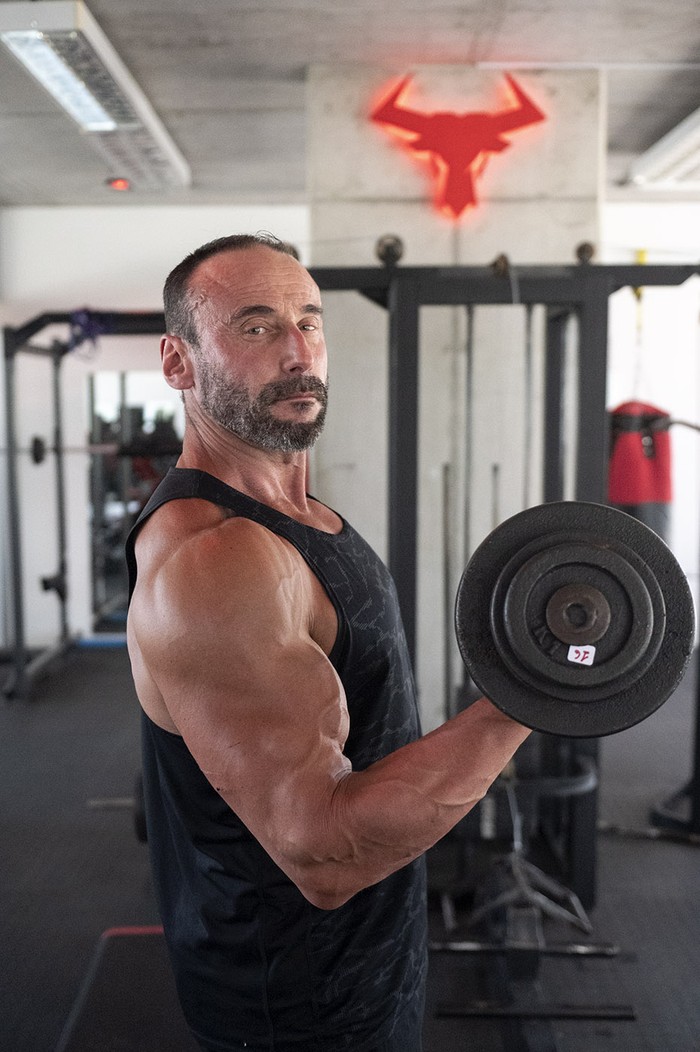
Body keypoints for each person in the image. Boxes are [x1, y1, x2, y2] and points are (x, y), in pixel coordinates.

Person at [125, 232, 531, 1052]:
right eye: (255, 327)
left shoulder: (302, 517)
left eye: (309, 321)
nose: (296, 351)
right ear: (178, 364)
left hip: (364, 966)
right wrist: (532, 694)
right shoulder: (218, 560)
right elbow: (325, 852)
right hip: (297, 1008)